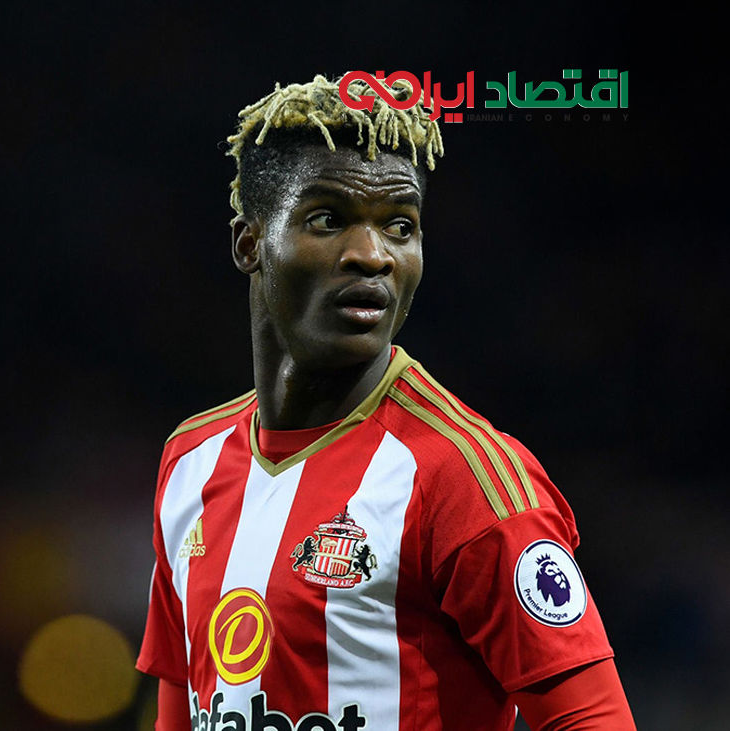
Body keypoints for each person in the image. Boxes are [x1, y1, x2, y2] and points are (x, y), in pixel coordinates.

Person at [136, 75, 635, 730]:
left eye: (400, 226)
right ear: (249, 243)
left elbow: (593, 720)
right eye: (328, 219)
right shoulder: (191, 461)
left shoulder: (463, 479)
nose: (372, 255)